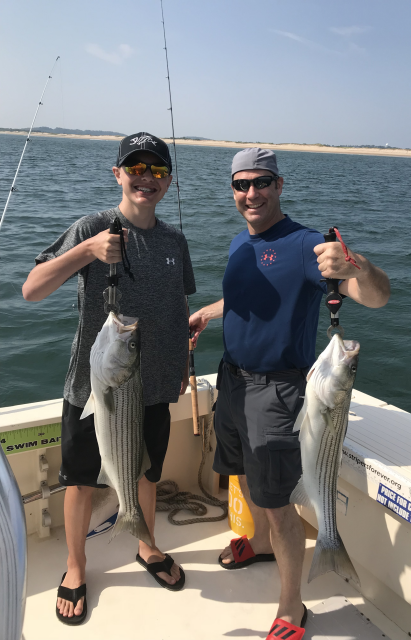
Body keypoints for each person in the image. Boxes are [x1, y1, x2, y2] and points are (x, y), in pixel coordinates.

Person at [189, 147, 390, 639]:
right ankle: (255, 543)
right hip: (232, 380)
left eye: (261, 183)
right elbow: (244, 295)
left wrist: (357, 265)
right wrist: (209, 313)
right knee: (243, 476)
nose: (251, 193)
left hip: (277, 391)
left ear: (280, 185)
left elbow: (377, 297)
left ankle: (291, 605)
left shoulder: (304, 246)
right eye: (241, 185)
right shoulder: (241, 240)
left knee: (278, 502)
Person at [22, 132, 195, 625]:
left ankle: (147, 546)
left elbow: (179, 302)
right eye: (135, 169)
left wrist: (182, 362)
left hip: (157, 384)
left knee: (146, 472)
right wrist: (87, 252)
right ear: (117, 173)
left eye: (157, 171)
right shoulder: (93, 226)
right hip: (95, 387)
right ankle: (76, 567)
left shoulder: (174, 240)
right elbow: (32, 289)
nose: (146, 179)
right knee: (80, 481)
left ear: (167, 181)